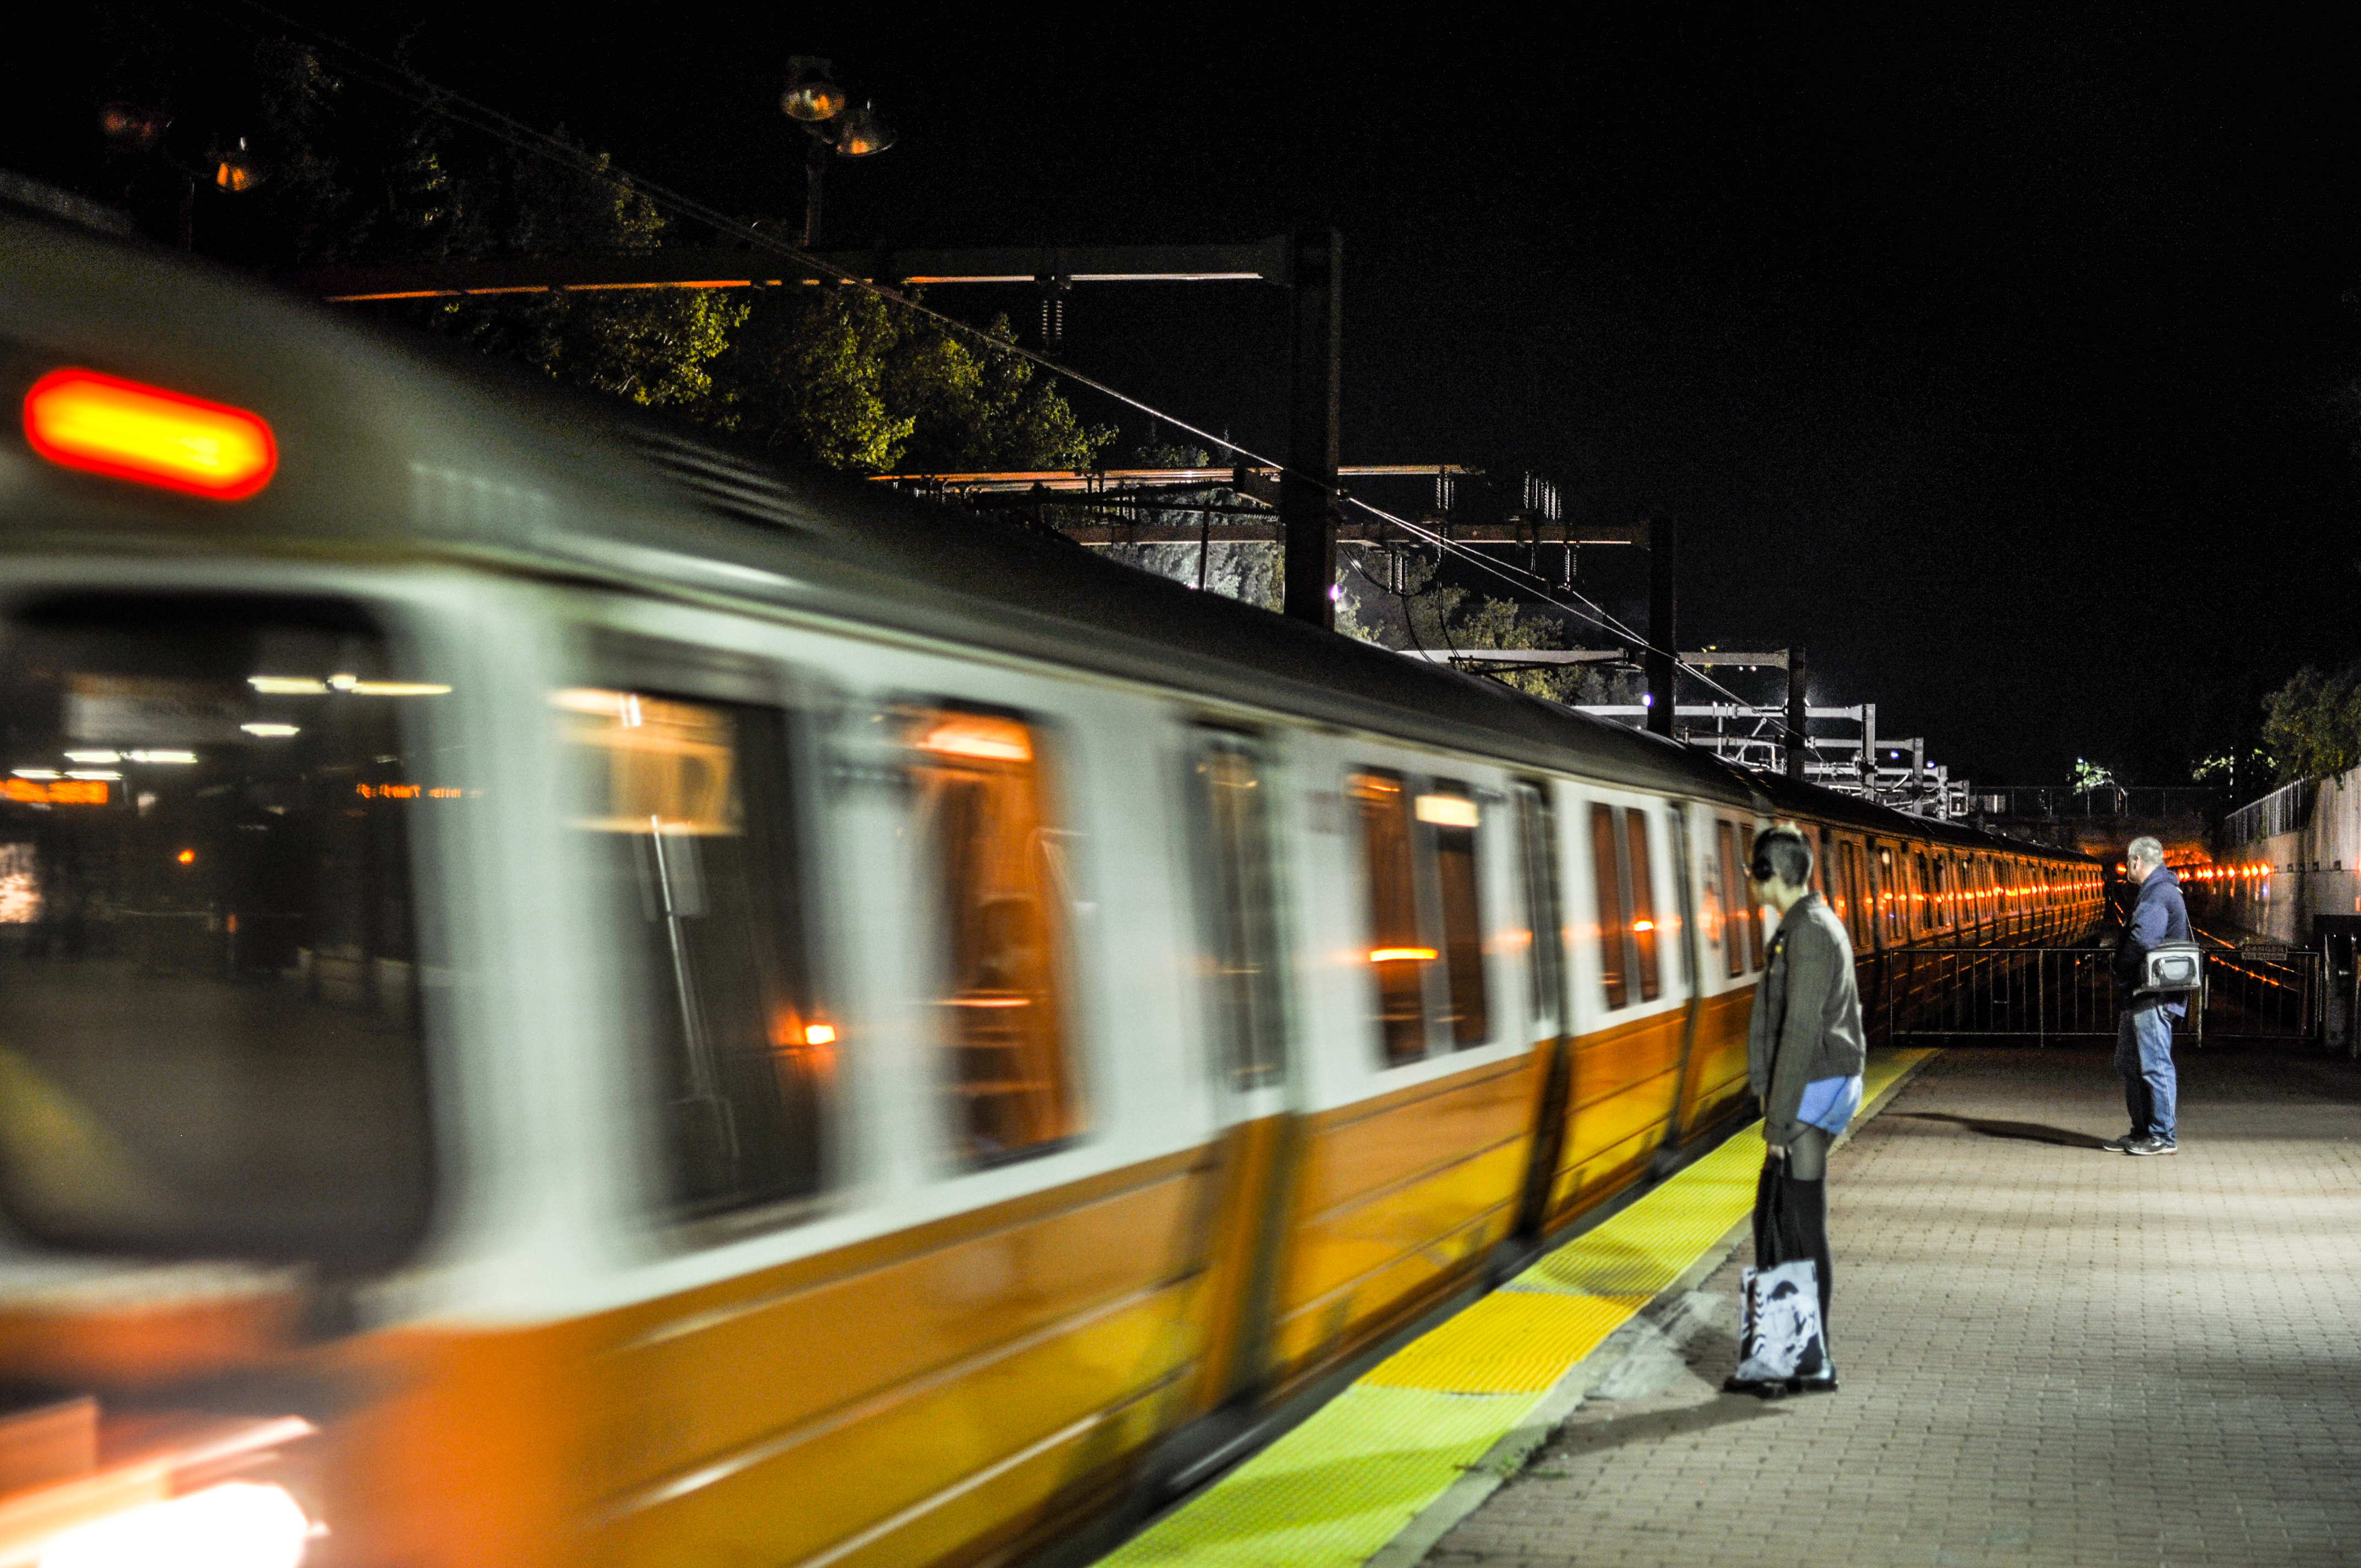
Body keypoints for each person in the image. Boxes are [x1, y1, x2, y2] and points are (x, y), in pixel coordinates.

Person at [1737, 824, 1866, 1393]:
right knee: (1788, 1217)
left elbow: (1798, 1031)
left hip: (1816, 1086)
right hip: (1814, 1085)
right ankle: (1791, 1351)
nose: (1748, 879)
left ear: (1772, 874)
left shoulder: (1809, 932)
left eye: (1752, 870)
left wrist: (1778, 1123)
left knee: (1803, 1220)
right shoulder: (1803, 924)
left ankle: (1813, 1359)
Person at [2106, 836, 2189, 1156]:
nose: (2128, 867)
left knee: (2155, 1065)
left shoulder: (2158, 893)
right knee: (2128, 1062)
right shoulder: (2157, 890)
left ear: (2137, 861)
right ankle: (2142, 1132)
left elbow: (2144, 939)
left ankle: (2163, 1137)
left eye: (2129, 861)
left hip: (2153, 994)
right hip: (2142, 994)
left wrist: (2121, 970)